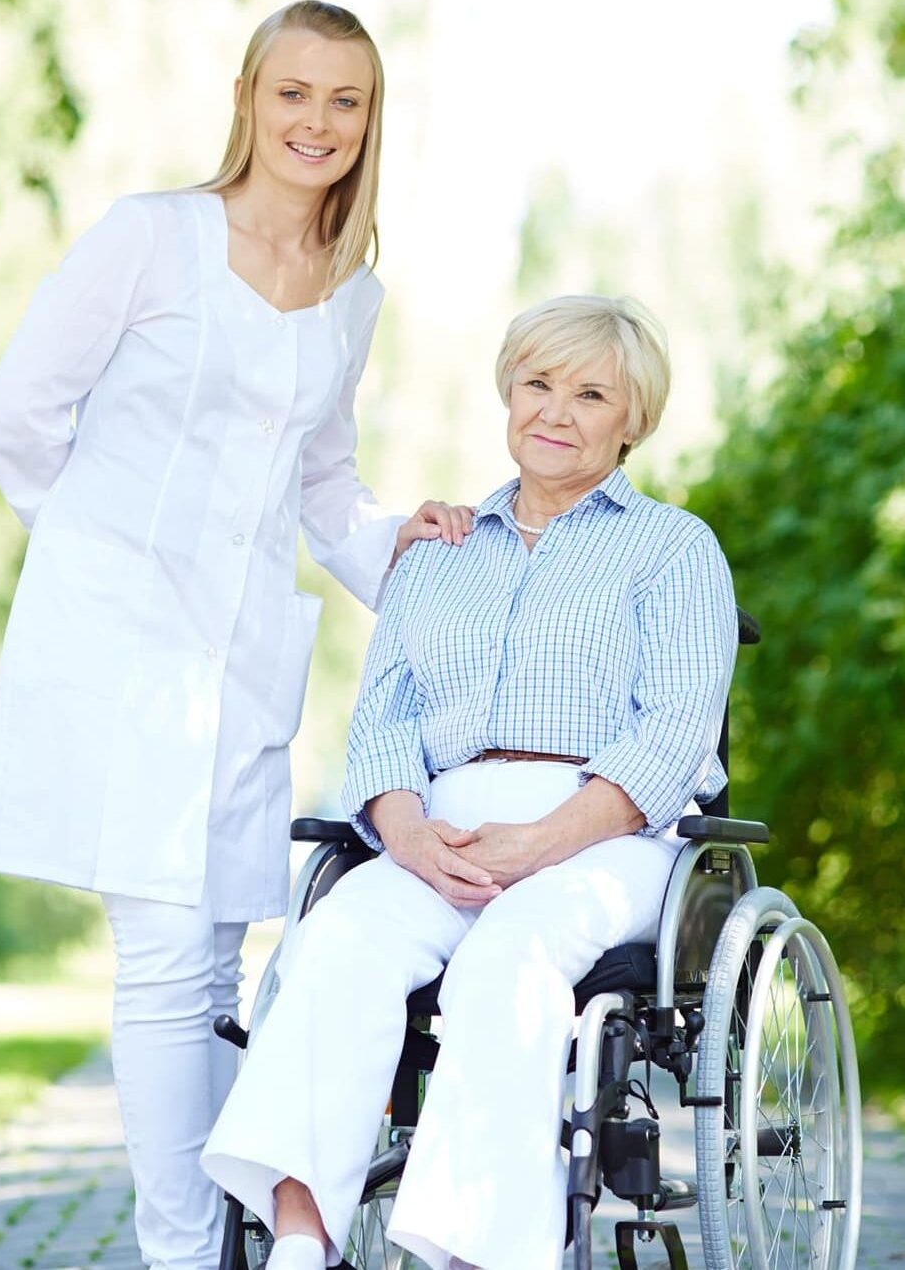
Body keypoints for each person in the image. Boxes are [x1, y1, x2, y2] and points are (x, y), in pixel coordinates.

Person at [0, 0, 470, 1270]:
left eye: (344, 101)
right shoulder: (153, 239)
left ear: (368, 123)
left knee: (214, 966)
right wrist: (95, 557)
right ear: (249, 98)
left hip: (244, 659)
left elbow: (322, 491)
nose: (317, 122)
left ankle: (216, 1241)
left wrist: (412, 556)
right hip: (119, 650)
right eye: (293, 93)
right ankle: (181, 1253)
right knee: (155, 956)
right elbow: (20, 410)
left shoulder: (349, 293)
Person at [201, 295, 739, 1270]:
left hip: (607, 838)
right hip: (437, 830)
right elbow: (382, 726)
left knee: (510, 962)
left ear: (632, 419)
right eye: (537, 383)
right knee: (338, 944)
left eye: (589, 393)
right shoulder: (438, 552)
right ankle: (297, 1238)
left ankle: (467, 1255)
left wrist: (538, 843)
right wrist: (404, 835)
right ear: (507, 392)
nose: (556, 410)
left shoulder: (673, 550)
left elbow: (669, 736)